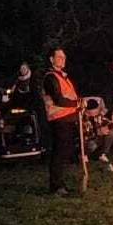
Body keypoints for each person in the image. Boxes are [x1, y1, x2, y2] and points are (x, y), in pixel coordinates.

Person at [42, 48, 81, 196]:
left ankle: (60, 184)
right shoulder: (50, 77)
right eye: (59, 57)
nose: (62, 59)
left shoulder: (64, 77)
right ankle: (56, 186)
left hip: (68, 119)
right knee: (59, 153)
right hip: (58, 120)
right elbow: (58, 99)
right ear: (51, 59)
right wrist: (77, 104)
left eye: (64, 57)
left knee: (65, 152)